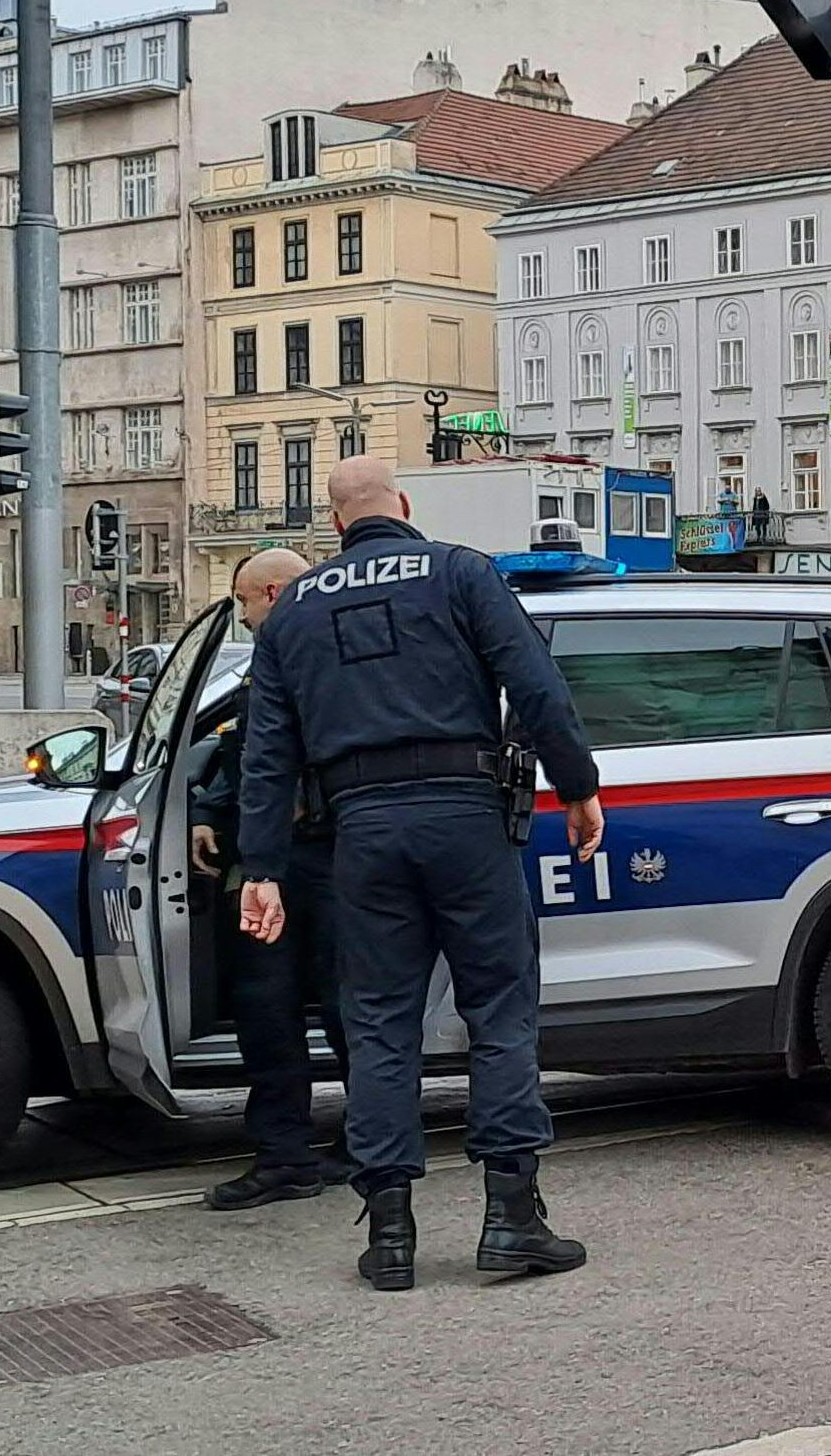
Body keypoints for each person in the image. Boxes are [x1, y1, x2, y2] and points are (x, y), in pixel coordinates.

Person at [240, 455, 606, 1293]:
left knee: (377, 1024)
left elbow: (268, 755)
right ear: (402, 507)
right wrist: (578, 789)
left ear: (334, 525)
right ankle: (512, 1219)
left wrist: (261, 868)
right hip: (467, 820)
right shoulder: (458, 571)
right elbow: (537, 687)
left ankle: (392, 1234)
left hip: (360, 835)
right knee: (500, 1011)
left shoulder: (293, 606)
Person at [189, 547, 351, 1211]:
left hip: (332, 854)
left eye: (245, 604)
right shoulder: (274, 660)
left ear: (275, 593)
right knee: (265, 1010)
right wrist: (205, 809)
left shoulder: (340, 646)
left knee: (351, 1009)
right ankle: (285, 1154)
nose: (245, 619)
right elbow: (247, 750)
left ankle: (367, 1146)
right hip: (273, 858)